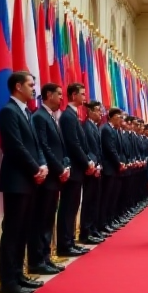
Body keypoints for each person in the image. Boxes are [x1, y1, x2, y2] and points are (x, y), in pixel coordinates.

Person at [0, 71, 46, 293]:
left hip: (29, 179)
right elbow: (15, 146)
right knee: (13, 232)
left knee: (24, 230)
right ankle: (8, 280)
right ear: (18, 87)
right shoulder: (9, 111)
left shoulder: (26, 111)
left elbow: (35, 145)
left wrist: (42, 165)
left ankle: (19, 274)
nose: (34, 89)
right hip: (17, 179)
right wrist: (36, 168)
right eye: (31, 84)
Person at [28, 83, 69, 275]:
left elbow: (60, 146)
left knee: (48, 219)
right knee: (40, 220)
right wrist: (59, 168)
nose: (62, 98)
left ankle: (45, 256)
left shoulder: (51, 117)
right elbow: (44, 147)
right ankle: (37, 260)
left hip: (55, 177)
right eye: (59, 94)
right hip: (47, 178)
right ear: (49, 95)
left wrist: (65, 164)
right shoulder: (39, 117)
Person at [56, 83, 92, 257]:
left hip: (77, 169)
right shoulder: (68, 117)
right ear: (73, 95)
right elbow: (73, 144)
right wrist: (87, 163)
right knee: (68, 207)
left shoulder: (73, 115)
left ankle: (70, 240)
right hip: (73, 169)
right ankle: (64, 244)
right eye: (82, 94)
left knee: (73, 207)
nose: (85, 97)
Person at [80, 100, 104, 244]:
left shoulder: (95, 127)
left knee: (95, 201)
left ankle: (93, 228)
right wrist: (94, 165)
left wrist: (99, 165)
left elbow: (98, 150)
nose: (100, 113)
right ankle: (85, 232)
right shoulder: (86, 127)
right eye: (97, 110)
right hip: (90, 170)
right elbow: (88, 149)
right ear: (89, 111)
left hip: (97, 168)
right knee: (88, 201)